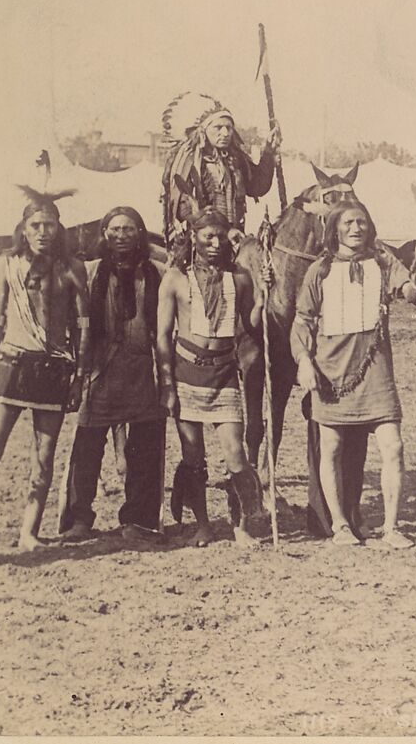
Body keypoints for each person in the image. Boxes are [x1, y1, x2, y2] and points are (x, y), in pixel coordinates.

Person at [291, 199, 416, 548]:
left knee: (393, 446)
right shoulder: (319, 270)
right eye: (349, 223)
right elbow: (303, 320)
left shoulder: (383, 262)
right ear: (335, 228)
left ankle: (391, 528)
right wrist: (304, 362)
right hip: (331, 372)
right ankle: (340, 525)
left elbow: (411, 290)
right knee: (332, 448)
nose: (356, 228)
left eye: (362, 222)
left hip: (375, 371)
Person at [0, 187, 90, 552]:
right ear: (23, 228)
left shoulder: (72, 268)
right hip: (12, 365)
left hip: (53, 371)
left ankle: (29, 531)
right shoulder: (5, 264)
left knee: (43, 457)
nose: (42, 232)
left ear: (59, 228)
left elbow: (84, 326)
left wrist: (79, 379)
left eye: (49, 225)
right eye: (35, 225)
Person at [156, 207, 266, 547]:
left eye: (221, 236)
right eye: (208, 236)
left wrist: (262, 299)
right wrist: (167, 384)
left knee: (236, 453)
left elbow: (251, 326)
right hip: (186, 371)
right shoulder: (175, 278)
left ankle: (242, 524)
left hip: (224, 374)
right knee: (193, 458)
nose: (216, 243)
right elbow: (161, 335)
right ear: (194, 237)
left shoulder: (241, 278)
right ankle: (202, 525)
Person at [59, 206, 166, 541]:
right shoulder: (89, 273)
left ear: (141, 234)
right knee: (88, 445)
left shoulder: (155, 273)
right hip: (99, 370)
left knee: (144, 447)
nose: (122, 235)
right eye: (115, 229)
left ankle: (138, 520)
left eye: (130, 229)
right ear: (104, 233)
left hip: (140, 371)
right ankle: (79, 519)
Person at [161, 91, 280, 247]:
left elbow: (257, 187)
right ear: (203, 131)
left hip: (235, 237)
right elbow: (184, 210)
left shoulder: (237, 159)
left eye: (229, 128)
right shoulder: (188, 162)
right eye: (218, 127)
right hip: (199, 243)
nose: (225, 133)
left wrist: (268, 152)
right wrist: (223, 230)